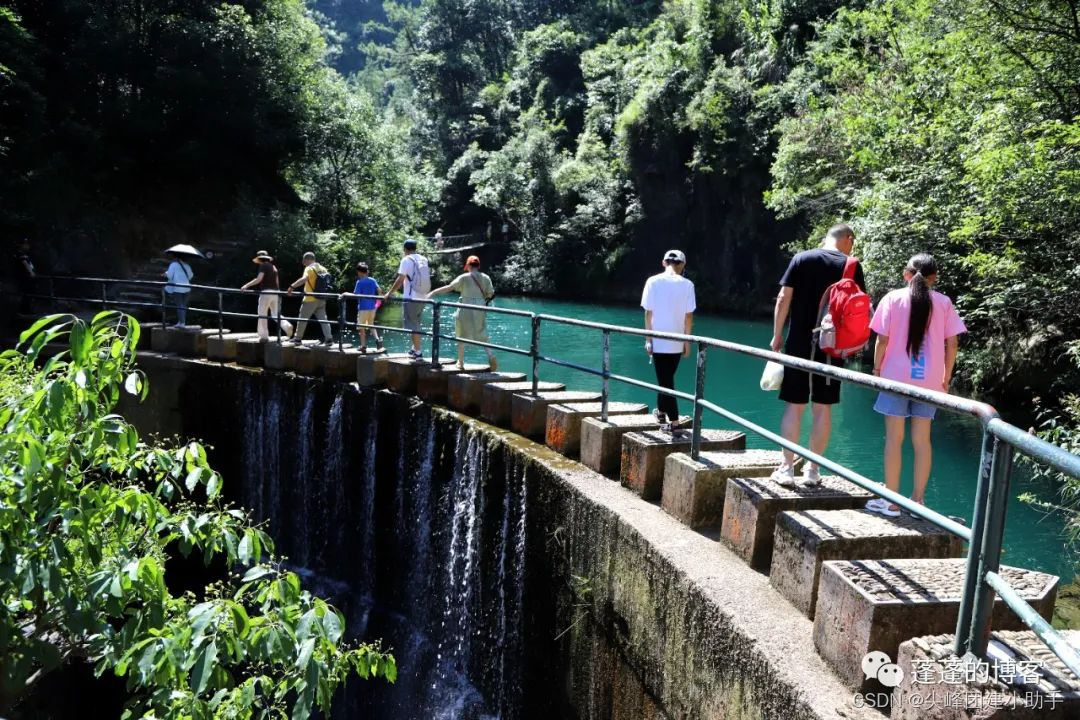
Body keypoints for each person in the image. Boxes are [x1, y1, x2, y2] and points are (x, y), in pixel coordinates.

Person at [864, 253, 966, 517]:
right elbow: (952, 343)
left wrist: (876, 370)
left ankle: (891, 502)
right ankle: (918, 502)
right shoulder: (943, 302)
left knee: (894, 440)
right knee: (922, 441)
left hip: (895, 378)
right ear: (934, 278)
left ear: (906, 273)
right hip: (929, 380)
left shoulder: (892, 298)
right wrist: (946, 377)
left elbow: (882, 340)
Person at [769, 223, 866, 487]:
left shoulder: (802, 258)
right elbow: (858, 311)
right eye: (852, 241)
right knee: (822, 408)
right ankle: (812, 471)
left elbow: (783, 297)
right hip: (832, 345)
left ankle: (786, 468)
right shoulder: (852, 265)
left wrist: (777, 335)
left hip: (799, 341)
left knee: (794, 404)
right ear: (847, 238)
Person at [641, 249, 696, 436]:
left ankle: (674, 423)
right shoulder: (688, 285)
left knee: (665, 382)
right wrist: (687, 341)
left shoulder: (653, 282)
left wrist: (648, 339)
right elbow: (689, 316)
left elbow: (648, 313)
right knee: (666, 380)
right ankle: (662, 413)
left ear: (664, 263)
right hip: (677, 341)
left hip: (658, 341)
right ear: (682, 265)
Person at [426, 255, 498, 370]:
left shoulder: (464, 277)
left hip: (465, 306)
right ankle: (491, 355)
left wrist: (433, 292)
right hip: (480, 307)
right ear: (478, 266)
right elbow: (490, 294)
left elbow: (449, 288)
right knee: (482, 332)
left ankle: (460, 362)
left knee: (461, 334)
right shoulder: (486, 277)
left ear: (468, 265)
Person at [383, 239, 431, 360]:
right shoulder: (423, 259)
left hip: (411, 297)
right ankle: (414, 348)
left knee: (413, 325)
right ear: (415, 248)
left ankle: (418, 352)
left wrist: (389, 293)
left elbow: (400, 279)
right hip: (423, 296)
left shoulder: (406, 260)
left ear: (405, 249)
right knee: (416, 323)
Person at [241, 250, 293, 341]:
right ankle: (287, 325)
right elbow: (277, 282)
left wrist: (246, 286)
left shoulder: (263, 266)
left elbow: (259, 279)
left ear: (259, 259)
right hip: (276, 292)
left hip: (266, 293)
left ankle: (263, 336)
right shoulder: (273, 267)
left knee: (262, 313)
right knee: (275, 313)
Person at [286, 252, 334, 345]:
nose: (303, 262)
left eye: (304, 260)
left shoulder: (309, 268)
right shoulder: (323, 269)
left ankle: (297, 338)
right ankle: (329, 339)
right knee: (324, 320)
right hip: (321, 298)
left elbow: (304, 279)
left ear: (308, 259)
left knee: (302, 319)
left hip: (310, 299)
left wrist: (292, 287)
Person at [340, 262, 383, 353]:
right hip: (372, 307)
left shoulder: (359, 282)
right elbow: (379, 290)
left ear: (359, 272)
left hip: (363, 308)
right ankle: (378, 340)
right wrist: (378, 302)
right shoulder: (372, 280)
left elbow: (356, 295)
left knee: (361, 328)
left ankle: (363, 346)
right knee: (371, 324)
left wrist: (345, 293)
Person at [163, 252, 193, 328]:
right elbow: (190, 276)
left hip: (177, 287)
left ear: (176, 257)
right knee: (183, 305)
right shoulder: (187, 265)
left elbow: (170, 276)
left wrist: (166, 274)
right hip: (187, 287)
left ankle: (182, 323)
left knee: (179, 305)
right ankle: (181, 322)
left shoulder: (173, 264)